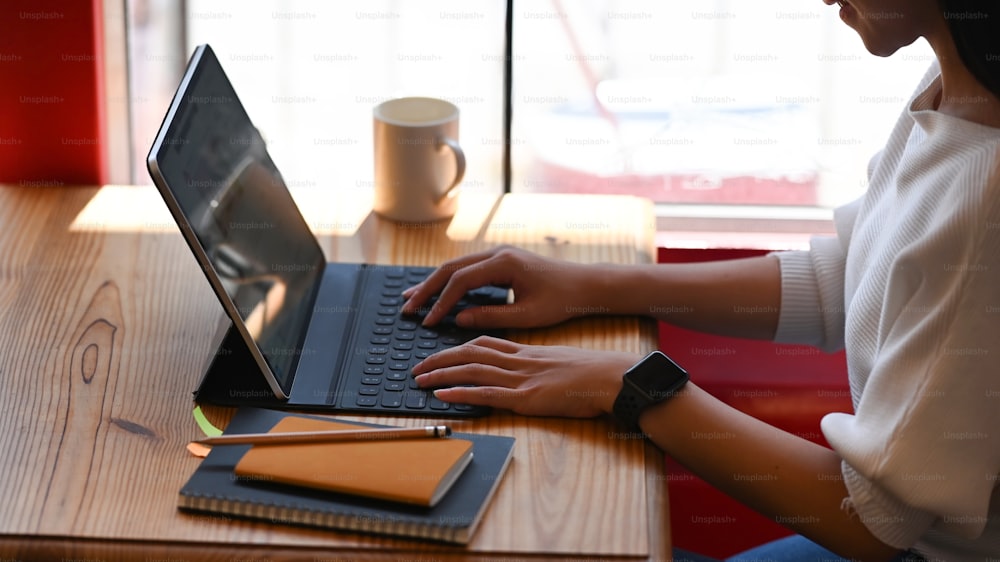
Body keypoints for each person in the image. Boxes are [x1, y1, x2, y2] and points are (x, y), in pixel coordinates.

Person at [401, 0, 1000, 560]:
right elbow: (841, 281)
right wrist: (591, 285)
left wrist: (629, 386)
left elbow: (874, 522)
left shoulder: (985, 197)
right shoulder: (954, 84)